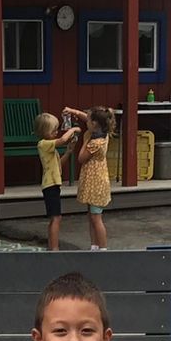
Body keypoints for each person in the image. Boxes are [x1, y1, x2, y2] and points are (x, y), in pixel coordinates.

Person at [63, 105, 116, 250]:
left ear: (94, 124)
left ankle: (103, 248)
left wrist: (85, 138)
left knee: (96, 218)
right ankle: (94, 246)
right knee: (91, 216)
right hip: (92, 179)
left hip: (96, 181)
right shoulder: (102, 131)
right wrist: (73, 111)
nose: (85, 122)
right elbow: (85, 116)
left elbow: (81, 158)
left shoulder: (95, 142)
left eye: (88, 121)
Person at [36, 111, 82, 250]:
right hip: (50, 185)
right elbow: (62, 140)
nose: (56, 132)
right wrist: (73, 129)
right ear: (44, 131)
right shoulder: (43, 144)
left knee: (55, 218)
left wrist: (68, 152)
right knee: (56, 218)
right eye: (53, 130)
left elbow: (58, 164)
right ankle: (54, 248)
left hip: (53, 184)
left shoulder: (50, 148)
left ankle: (52, 247)